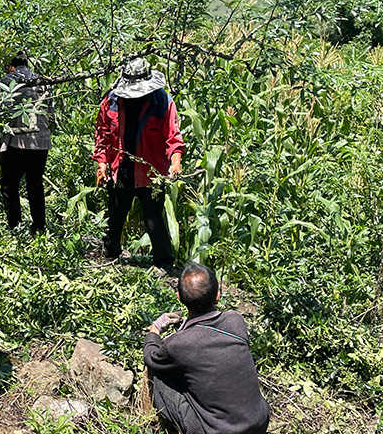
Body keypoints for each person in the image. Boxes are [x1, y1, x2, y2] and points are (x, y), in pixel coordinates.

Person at [143, 262, 270, 434]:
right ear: (217, 296)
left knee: (159, 376)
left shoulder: (178, 344)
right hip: (259, 422)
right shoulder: (236, 321)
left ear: (179, 297)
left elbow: (151, 357)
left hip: (218, 431)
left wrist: (155, 330)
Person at [91, 58, 185, 271]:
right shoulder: (111, 101)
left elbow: (173, 137)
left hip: (150, 174)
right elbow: (103, 135)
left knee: (154, 220)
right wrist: (102, 164)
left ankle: (163, 263)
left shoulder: (162, 102)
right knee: (115, 217)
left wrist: (175, 162)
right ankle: (110, 255)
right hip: (120, 169)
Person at [0, 51, 53, 235]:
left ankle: (15, 226)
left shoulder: (8, 80)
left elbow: (2, 113)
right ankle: (38, 226)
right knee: (35, 183)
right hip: (42, 142)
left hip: (19, 142)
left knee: (9, 184)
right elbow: (50, 111)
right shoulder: (43, 81)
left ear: (11, 65)